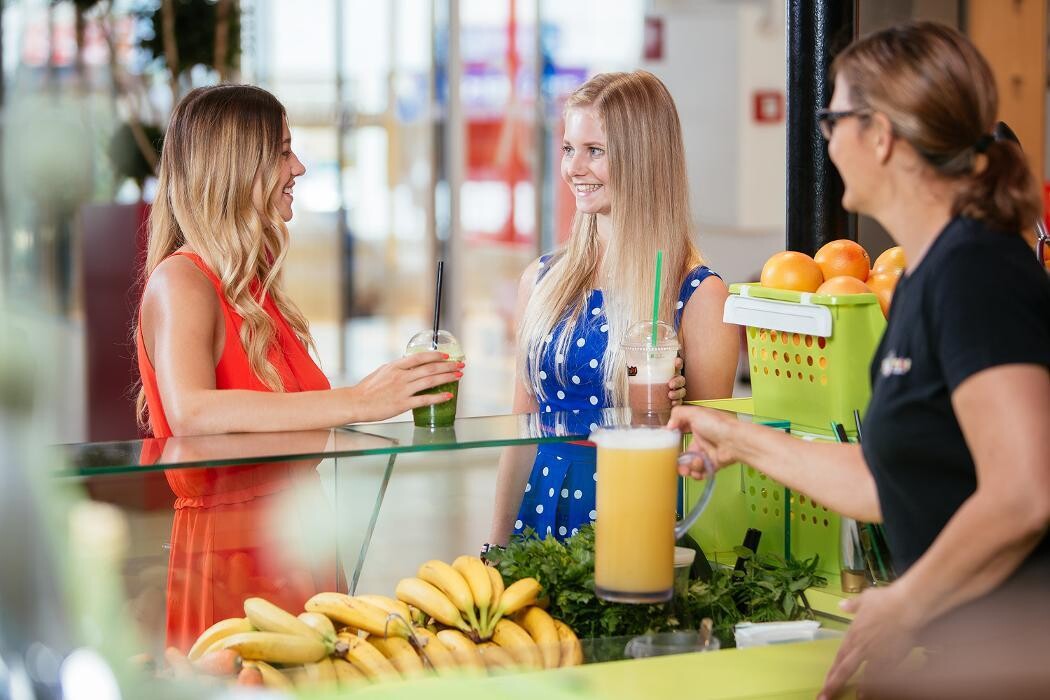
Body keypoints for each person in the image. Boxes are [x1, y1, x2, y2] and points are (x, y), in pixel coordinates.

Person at [669, 22, 1050, 699]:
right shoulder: (926, 276)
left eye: (834, 117)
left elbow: (1023, 492)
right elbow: (886, 482)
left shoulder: (977, 271)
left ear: (881, 136)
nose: (826, 136)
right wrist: (737, 438)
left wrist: (905, 602)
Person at [490, 71, 739, 544]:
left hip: (639, 521)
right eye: (568, 148)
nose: (573, 168)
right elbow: (521, 436)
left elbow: (706, 462)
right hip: (540, 515)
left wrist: (671, 418)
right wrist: (496, 548)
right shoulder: (541, 281)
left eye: (595, 151)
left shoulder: (698, 294)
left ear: (644, 160)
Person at [135, 85, 462, 438]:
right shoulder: (180, 281)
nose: (299, 167)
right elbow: (191, 414)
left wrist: (367, 396)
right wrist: (360, 401)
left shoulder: (251, 284)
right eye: (283, 152)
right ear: (237, 167)